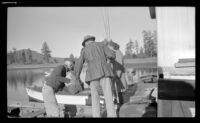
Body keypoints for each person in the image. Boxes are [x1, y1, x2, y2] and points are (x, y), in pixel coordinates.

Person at [74, 35, 117, 117]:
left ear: (85, 43)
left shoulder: (84, 50)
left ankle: (96, 116)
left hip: (92, 76)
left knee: (95, 98)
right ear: (92, 40)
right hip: (104, 74)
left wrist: (76, 77)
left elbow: (79, 64)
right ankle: (111, 115)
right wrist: (109, 55)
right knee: (108, 96)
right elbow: (112, 55)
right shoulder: (101, 44)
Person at [107, 41, 128, 105]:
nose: (108, 48)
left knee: (119, 91)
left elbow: (119, 65)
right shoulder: (115, 52)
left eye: (108, 47)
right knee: (117, 91)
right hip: (116, 74)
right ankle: (118, 103)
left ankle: (120, 104)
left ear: (112, 46)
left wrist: (117, 76)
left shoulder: (118, 53)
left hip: (119, 75)